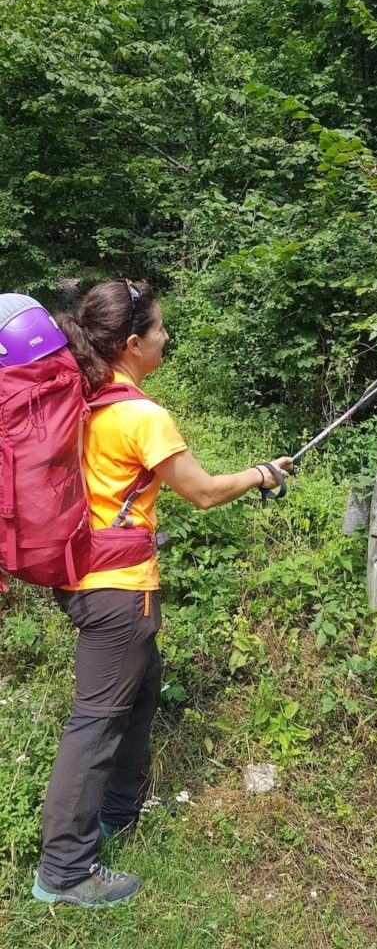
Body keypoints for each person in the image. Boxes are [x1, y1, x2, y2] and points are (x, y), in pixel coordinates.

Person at [32, 278, 292, 908]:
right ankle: (64, 871)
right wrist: (262, 473)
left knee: (140, 693)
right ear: (131, 344)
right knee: (95, 723)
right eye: (159, 330)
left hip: (84, 577)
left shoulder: (83, 402)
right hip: (119, 593)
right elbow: (201, 492)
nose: (166, 337)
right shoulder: (142, 415)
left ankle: (118, 812)